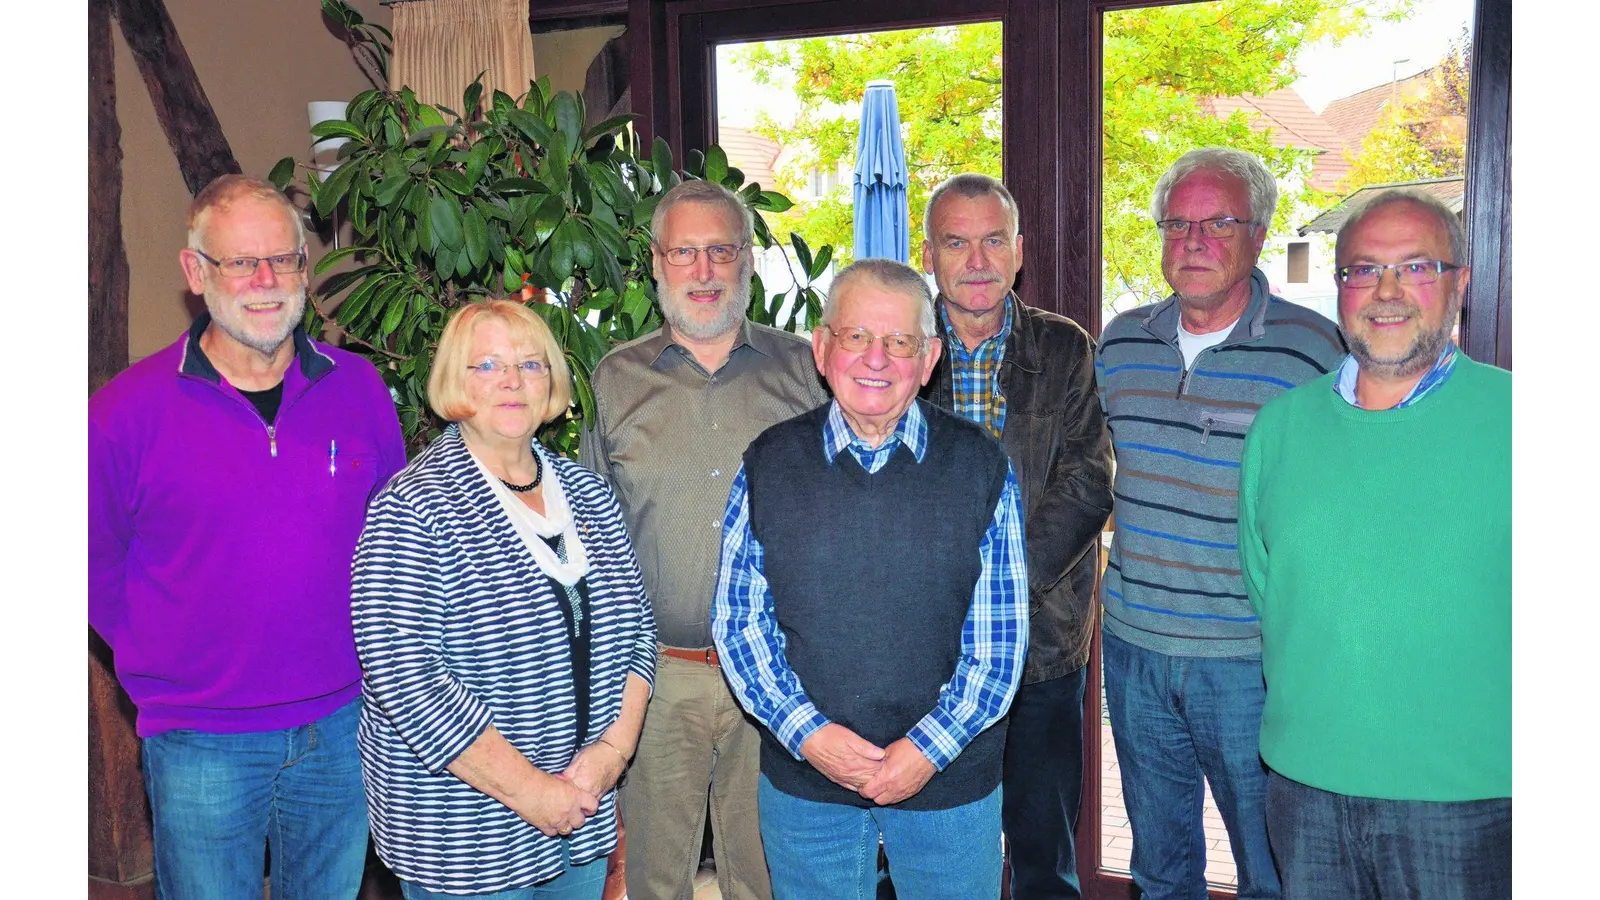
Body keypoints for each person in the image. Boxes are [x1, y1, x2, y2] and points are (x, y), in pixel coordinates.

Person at [87, 174, 407, 899]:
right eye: (240, 262)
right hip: (199, 735)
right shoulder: (123, 413)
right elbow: (88, 559)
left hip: (343, 724)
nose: (265, 281)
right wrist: (162, 653)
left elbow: (392, 543)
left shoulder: (358, 389)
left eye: (282, 259)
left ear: (304, 267)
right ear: (196, 272)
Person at [713, 259, 1029, 900]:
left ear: (930, 357)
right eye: (856, 336)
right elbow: (740, 625)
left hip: (950, 786)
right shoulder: (768, 462)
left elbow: (999, 648)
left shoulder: (981, 466)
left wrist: (926, 751)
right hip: (807, 785)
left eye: (900, 341)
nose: (876, 358)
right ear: (822, 348)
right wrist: (809, 735)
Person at [1237, 189, 1509, 899]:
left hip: (1472, 800)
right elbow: (1271, 592)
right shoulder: (1279, 428)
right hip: (1305, 788)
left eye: (1415, 267)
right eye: (1363, 270)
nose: (1386, 291)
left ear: (1460, 284)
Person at [1094, 147, 1345, 900]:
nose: (1194, 241)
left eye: (1219, 223)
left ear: (1259, 234)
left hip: (1250, 661)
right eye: (1177, 224)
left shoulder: (1314, 352)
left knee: (1272, 871)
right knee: (1160, 869)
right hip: (1135, 649)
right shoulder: (1120, 342)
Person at [351, 299, 657, 899]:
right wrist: (532, 792)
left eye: (530, 364)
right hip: (467, 833)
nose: (513, 381)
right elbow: (405, 677)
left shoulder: (591, 494)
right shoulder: (413, 507)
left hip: (582, 808)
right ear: (454, 381)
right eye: (488, 365)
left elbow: (639, 635)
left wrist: (611, 754)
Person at [580, 179, 828, 900]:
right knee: (656, 877)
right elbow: (593, 538)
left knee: (766, 875)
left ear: (747, 258)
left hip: (779, 674)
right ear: (656, 261)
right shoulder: (616, 378)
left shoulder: (805, 370)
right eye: (684, 252)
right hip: (657, 677)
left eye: (721, 250)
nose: (704, 270)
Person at [919, 174, 1113, 900]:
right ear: (929, 255)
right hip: (924, 650)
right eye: (956, 242)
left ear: (1020, 251)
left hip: (1043, 644)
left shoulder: (1065, 348)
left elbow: (1088, 484)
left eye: (993, 240)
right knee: (929, 847)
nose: (977, 261)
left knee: (1043, 852)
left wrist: (997, 591)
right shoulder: (900, 346)